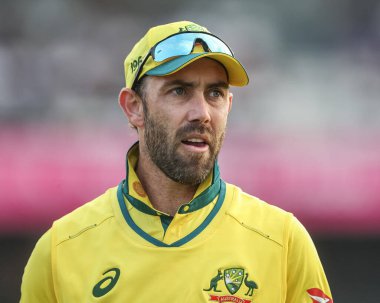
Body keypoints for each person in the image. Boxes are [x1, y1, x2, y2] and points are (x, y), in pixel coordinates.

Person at [20, 21, 333, 303]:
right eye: (179, 91)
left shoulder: (284, 241)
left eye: (215, 94)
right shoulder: (60, 251)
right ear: (133, 108)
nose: (202, 113)